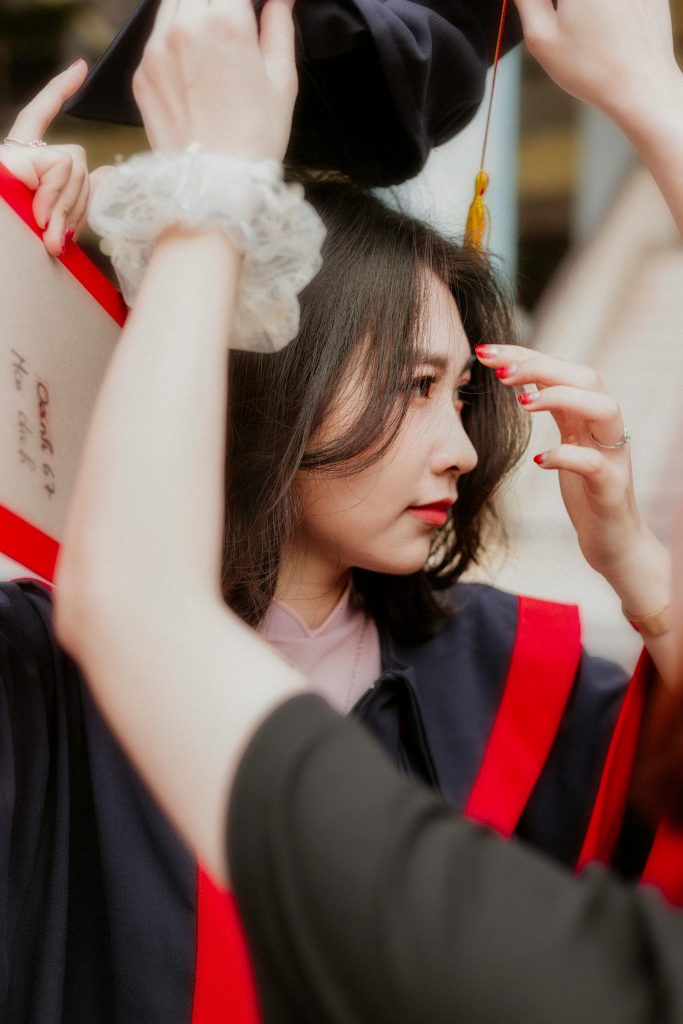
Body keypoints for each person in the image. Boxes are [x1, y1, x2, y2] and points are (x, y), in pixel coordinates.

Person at [0, 0, 678, 1022]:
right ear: (271, 379)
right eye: (411, 385)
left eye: (460, 394)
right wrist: (16, 281)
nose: (459, 446)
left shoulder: (523, 687)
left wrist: (657, 597)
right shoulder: (41, 669)